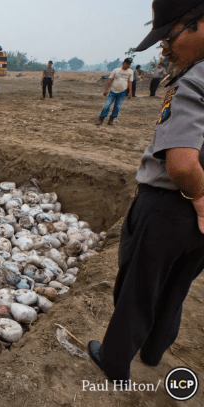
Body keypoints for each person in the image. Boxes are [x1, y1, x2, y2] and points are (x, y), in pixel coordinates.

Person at [88, 0, 204, 383]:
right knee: (177, 286)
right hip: (200, 221)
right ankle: (154, 352)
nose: (164, 49)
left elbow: (183, 164)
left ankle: (114, 363)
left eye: (169, 38)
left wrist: (200, 198)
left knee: (138, 287)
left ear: (199, 25)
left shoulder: (194, 80)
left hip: (171, 205)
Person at [96, 58, 134, 126]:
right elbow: (110, 81)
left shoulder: (130, 72)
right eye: (127, 64)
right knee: (107, 105)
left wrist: (130, 92)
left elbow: (130, 82)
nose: (128, 65)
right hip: (113, 91)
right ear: (123, 63)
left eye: (129, 64)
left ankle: (111, 120)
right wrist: (106, 90)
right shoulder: (116, 70)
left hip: (123, 92)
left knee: (117, 106)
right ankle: (101, 119)